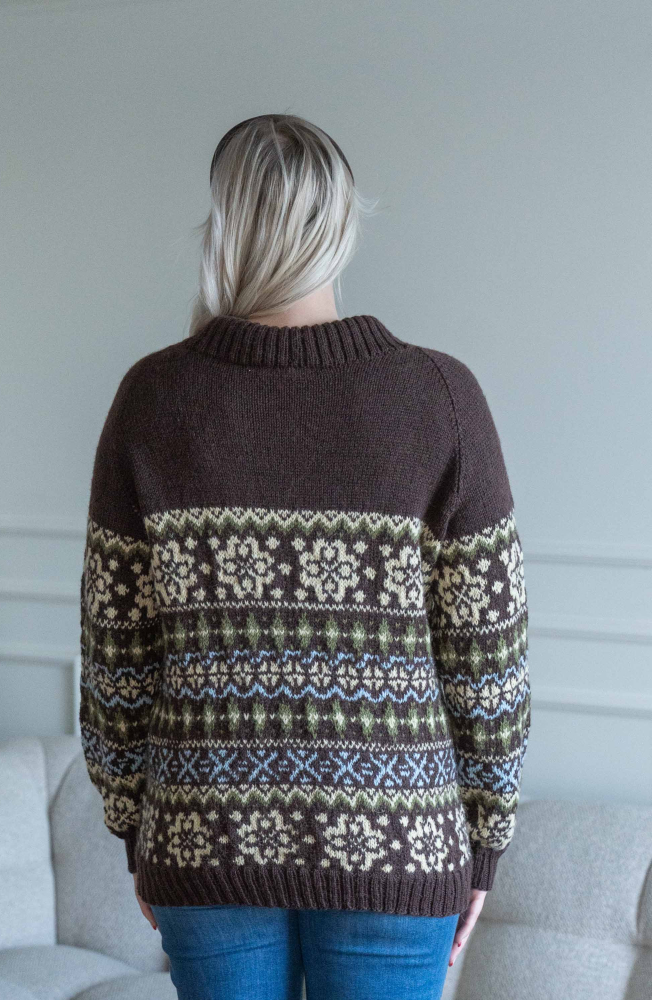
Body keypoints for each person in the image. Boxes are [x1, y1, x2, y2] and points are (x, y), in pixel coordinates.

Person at [79, 113, 531, 1000]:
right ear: (342, 224)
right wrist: (483, 843)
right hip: (400, 842)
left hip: (201, 832)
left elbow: (115, 657)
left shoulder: (153, 397)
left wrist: (136, 826)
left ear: (222, 223)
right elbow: (489, 660)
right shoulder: (439, 395)